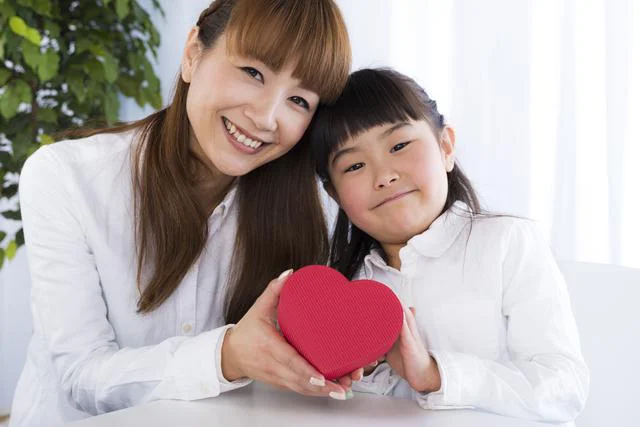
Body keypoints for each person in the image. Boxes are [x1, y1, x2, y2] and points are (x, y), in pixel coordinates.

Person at [11, 1, 358, 425]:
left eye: (299, 100)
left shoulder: (314, 209)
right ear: (193, 53)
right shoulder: (66, 177)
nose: (266, 117)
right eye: (253, 73)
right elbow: (81, 377)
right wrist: (226, 356)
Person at [308, 68, 590, 423]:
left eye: (398, 146)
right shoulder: (343, 284)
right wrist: (356, 369)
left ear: (445, 147)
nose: (384, 176)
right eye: (355, 165)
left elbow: (563, 388)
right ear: (335, 194)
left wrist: (434, 374)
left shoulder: (507, 244)